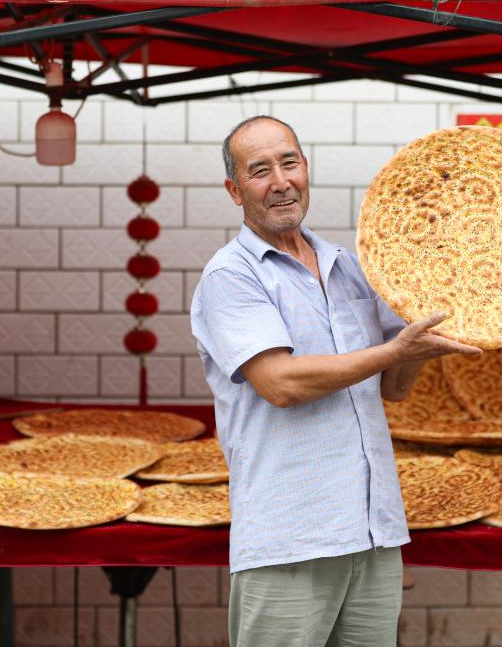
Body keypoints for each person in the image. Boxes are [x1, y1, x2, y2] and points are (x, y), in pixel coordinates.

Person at [190, 115, 481, 647]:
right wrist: (393, 350)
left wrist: (423, 342)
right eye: (260, 171)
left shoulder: (348, 266)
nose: (280, 181)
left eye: (290, 163)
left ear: (306, 169)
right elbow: (280, 383)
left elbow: (393, 386)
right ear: (235, 190)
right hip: (292, 534)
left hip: (373, 530)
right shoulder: (231, 276)